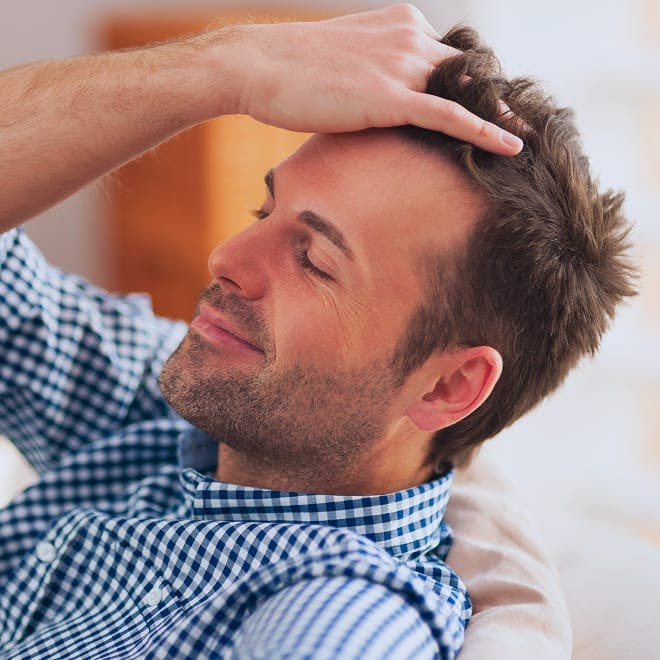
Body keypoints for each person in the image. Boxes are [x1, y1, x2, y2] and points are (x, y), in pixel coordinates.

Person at [0, 4, 634, 659]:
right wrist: (228, 67)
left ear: (449, 384)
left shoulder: (341, 613)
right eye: (263, 210)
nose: (227, 259)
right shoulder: (175, 419)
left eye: (313, 259)